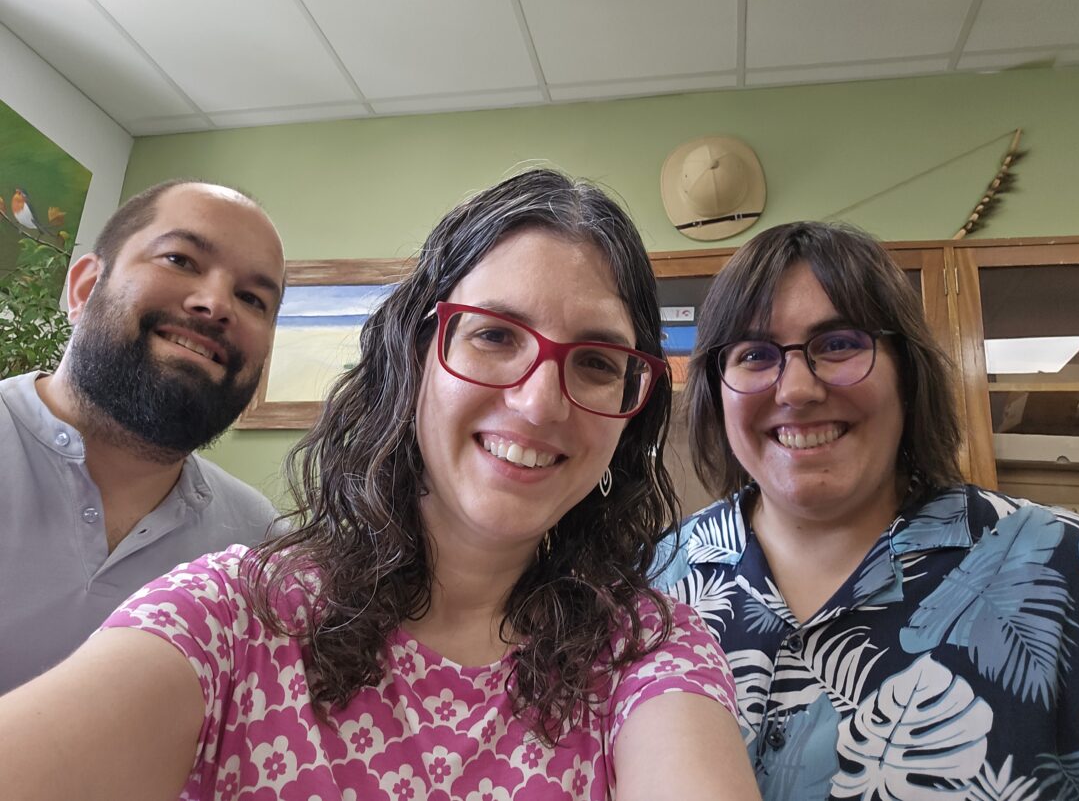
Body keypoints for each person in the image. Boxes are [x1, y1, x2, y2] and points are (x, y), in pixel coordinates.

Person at [0, 169, 760, 801]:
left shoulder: (650, 653)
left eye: (595, 360)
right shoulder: (237, 613)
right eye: (494, 335)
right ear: (413, 358)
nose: (538, 403)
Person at [658, 220, 1079, 799]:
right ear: (717, 390)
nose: (796, 390)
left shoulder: (1067, 570)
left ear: (907, 374)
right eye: (755, 354)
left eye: (838, 344)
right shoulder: (649, 588)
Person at [0, 179, 286, 694]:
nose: (217, 304)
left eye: (252, 298)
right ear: (85, 288)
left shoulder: (257, 547)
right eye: (180, 260)